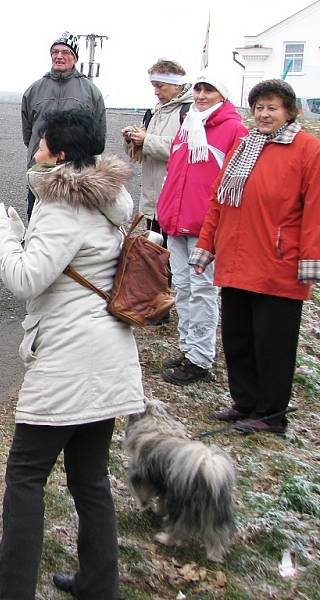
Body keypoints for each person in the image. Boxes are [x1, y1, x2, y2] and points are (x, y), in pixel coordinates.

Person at [0, 109, 144, 600]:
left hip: (71, 357)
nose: (35, 150)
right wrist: (26, 232)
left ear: (59, 155)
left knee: (25, 474)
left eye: (40, 144)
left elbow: (25, 279)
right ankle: (96, 586)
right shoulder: (107, 199)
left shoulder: (64, 207)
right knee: (89, 480)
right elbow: (63, 264)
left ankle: (12, 589)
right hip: (107, 354)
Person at [190, 79, 320, 435]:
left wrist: (310, 259)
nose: (264, 114)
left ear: (289, 112)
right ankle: (244, 402)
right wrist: (207, 245)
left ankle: (271, 414)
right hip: (235, 260)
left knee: (272, 344)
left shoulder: (307, 149)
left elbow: (315, 209)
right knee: (238, 337)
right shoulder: (246, 146)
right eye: (259, 107)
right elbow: (218, 200)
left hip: (278, 262)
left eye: (272, 108)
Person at [156, 69, 248, 386]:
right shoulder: (188, 124)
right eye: (198, 89)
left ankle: (200, 359)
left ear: (222, 95)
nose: (201, 96)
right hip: (176, 224)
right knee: (182, 289)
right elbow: (175, 173)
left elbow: (237, 183)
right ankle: (188, 349)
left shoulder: (234, 130)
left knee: (203, 293)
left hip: (205, 229)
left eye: (208, 90)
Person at [21, 31, 106, 219]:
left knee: (73, 229)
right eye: (55, 51)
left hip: (76, 178)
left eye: (66, 52)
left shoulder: (91, 92)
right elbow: (28, 134)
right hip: (40, 173)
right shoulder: (34, 90)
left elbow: (99, 138)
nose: (59, 56)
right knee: (36, 225)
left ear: (75, 58)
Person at [122, 59, 193, 240]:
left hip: (175, 203)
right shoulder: (155, 112)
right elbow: (144, 151)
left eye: (160, 86)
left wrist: (147, 140)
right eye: (154, 86)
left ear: (175, 85)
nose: (156, 91)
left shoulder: (188, 111)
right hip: (152, 203)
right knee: (153, 259)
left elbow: (185, 149)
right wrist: (132, 140)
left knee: (170, 261)